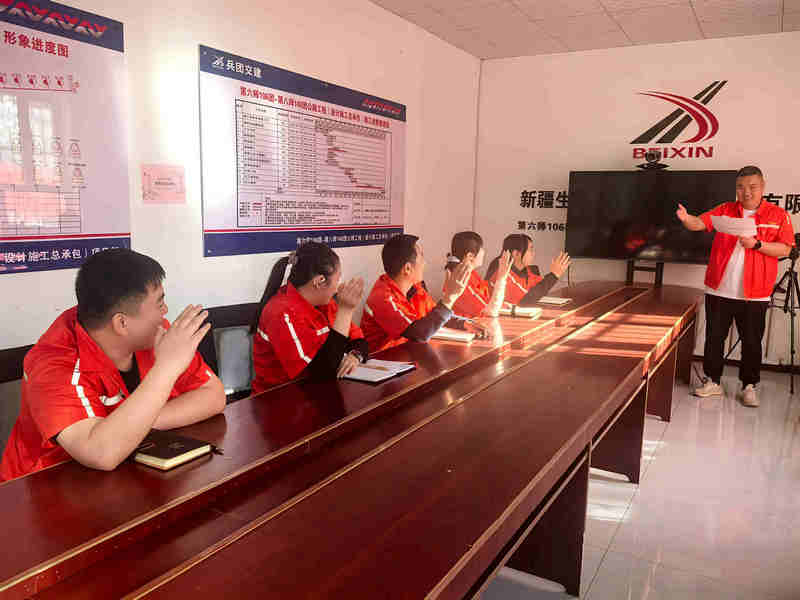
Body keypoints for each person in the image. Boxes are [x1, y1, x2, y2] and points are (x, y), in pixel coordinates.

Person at [0, 249, 226, 481]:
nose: (165, 311)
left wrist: (136, 424)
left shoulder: (154, 333)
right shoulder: (52, 364)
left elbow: (214, 395)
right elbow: (101, 453)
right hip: (43, 486)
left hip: (128, 471)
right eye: (159, 303)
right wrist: (166, 369)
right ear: (122, 323)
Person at [676, 165, 794, 407]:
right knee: (714, 338)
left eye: (752, 187)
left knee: (751, 342)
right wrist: (687, 219)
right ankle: (713, 381)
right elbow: (700, 223)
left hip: (755, 292)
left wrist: (757, 245)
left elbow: (785, 249)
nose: (746, 192)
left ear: (763, 187)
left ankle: (749, 386)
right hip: (720, 289)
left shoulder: (778, 215)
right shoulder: (725, 210)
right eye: (740, 187)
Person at [250, 241, 367, 394]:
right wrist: (345, 311)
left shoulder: (325, 303)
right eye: (337, 279)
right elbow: (320, 374)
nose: (338, 287)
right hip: (278, 399)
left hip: (314, 393)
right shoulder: (281, 313)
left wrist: (355, 356)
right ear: (319, 281)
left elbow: (359, 341)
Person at [361, 233, 471, 353]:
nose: (425, 263)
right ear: (407, 268)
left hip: (407, 355)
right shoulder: (382, 298)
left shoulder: (415, 288)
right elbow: (419, 333)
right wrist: (450, 297)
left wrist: (466, 323)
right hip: (381, 360)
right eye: (421, 257)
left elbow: (434, 315)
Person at [486, 234, 571, 306]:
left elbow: (539, 288)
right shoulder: (502, 272)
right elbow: (526, 300)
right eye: (530, 250)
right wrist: (554, 275)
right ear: (516, 254)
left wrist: (554, 275)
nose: (533, 254)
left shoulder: (527, 270)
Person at [444, 231, 512, 319]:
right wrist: (501, 278)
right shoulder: (460, 279)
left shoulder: (469, 273)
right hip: (467, 327)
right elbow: (489, 312)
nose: (484, 252)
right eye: (481, 249)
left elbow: (486, 301)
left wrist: (502, 305)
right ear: (470, 256)